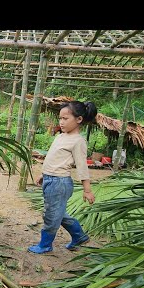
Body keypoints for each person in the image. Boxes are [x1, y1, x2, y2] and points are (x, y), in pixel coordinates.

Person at [28, 100, 97, 254]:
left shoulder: (78, 141)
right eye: (60, 118)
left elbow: (82, 167)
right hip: (50, 180)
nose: (62, 121)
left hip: (60, 183)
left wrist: (87, 190)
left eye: (65, 119)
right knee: (57, 213)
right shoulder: (61, 136)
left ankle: (45, 245)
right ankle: (79, 236)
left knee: (51, 215)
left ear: (78, 119)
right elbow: (53, 159)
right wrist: (43, 175)